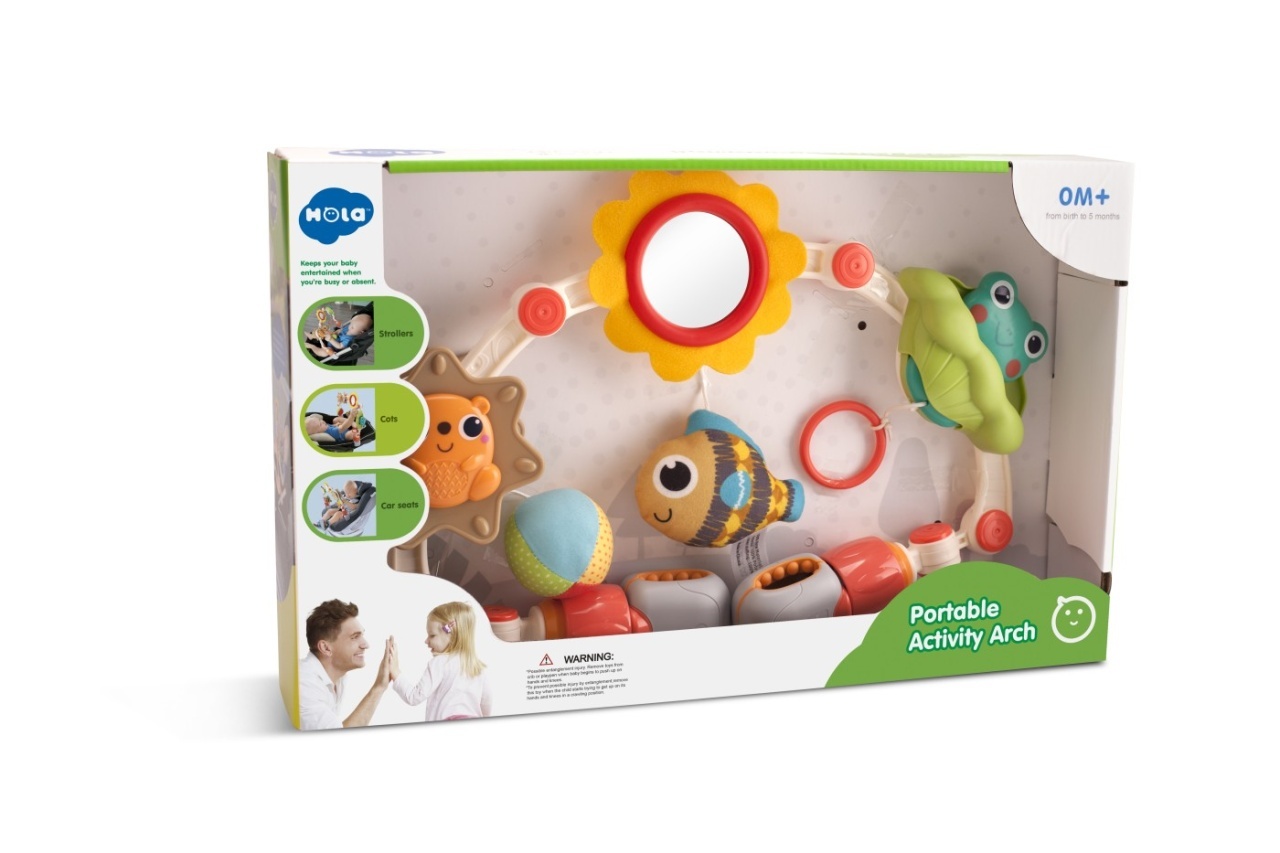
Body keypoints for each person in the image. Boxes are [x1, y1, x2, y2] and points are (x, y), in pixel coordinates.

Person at [299, 600, 394, 730]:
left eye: (362, 635)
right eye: (354, 637)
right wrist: (379, 687)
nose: (365, 644)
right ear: (326, 648)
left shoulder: (339, 678)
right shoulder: (304, 684)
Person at [390, 601, 492, 721]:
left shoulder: (439, 663)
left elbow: (414, 697)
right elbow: (486, 702)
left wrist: (396, 672)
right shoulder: (477, 667)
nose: (426, 641)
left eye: (432, 635)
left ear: (452, 635)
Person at [304, 312, 372, 359]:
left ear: (361, 333)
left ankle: (311, 346)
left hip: (333, 348)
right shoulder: (350, 327)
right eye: (350, 324)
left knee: (324, 353)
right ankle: (311, 336)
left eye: (352, 327)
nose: (349, 327)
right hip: (333, 338)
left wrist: (331, 339)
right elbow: (340, 330)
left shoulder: (349, 339)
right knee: (322, 332)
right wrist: (333, 333)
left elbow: (339, 346)